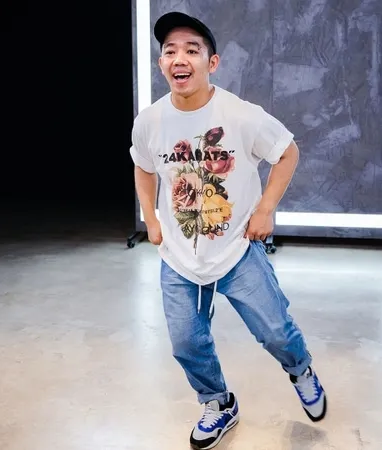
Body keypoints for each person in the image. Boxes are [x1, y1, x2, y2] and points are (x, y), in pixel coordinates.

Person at [129, 11, 327, 450]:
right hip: (179, 256)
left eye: (192, 50)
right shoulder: (150, 121)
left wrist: (265, 210)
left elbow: (288, 153)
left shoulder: (240, 114)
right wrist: (151, 218)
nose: (179, 58)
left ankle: (301, 370)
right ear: (162, 63)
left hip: (237, 246)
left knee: (275, 331)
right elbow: (143, 167)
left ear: (212, 63)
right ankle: (218, 403)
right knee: (186, 341)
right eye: (170, 51)